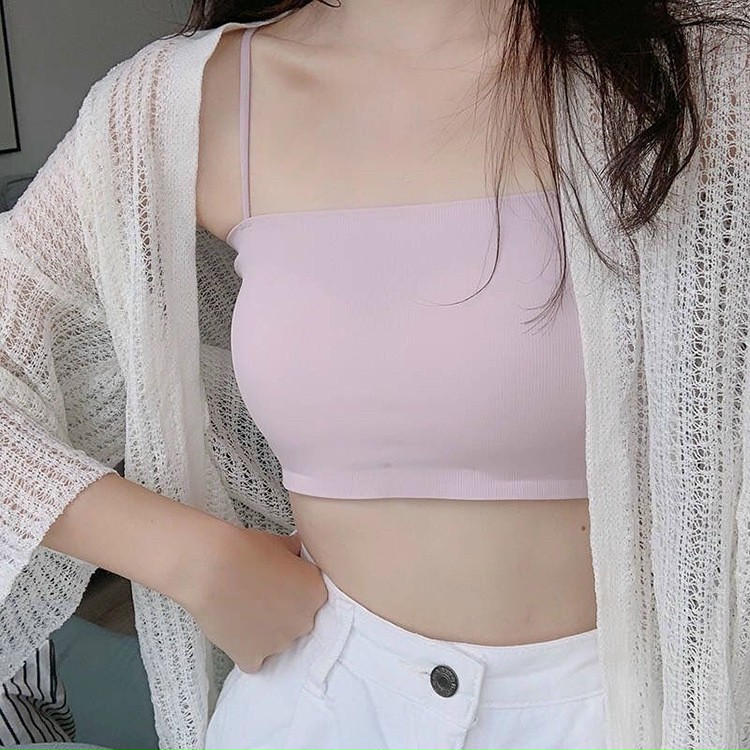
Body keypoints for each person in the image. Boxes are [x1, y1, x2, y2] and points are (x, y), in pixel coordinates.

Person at [1, 1, 749, 748]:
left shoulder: (711, 65)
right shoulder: (183, 101)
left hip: (635, 709)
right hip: (319, 703)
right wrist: (192, 560)